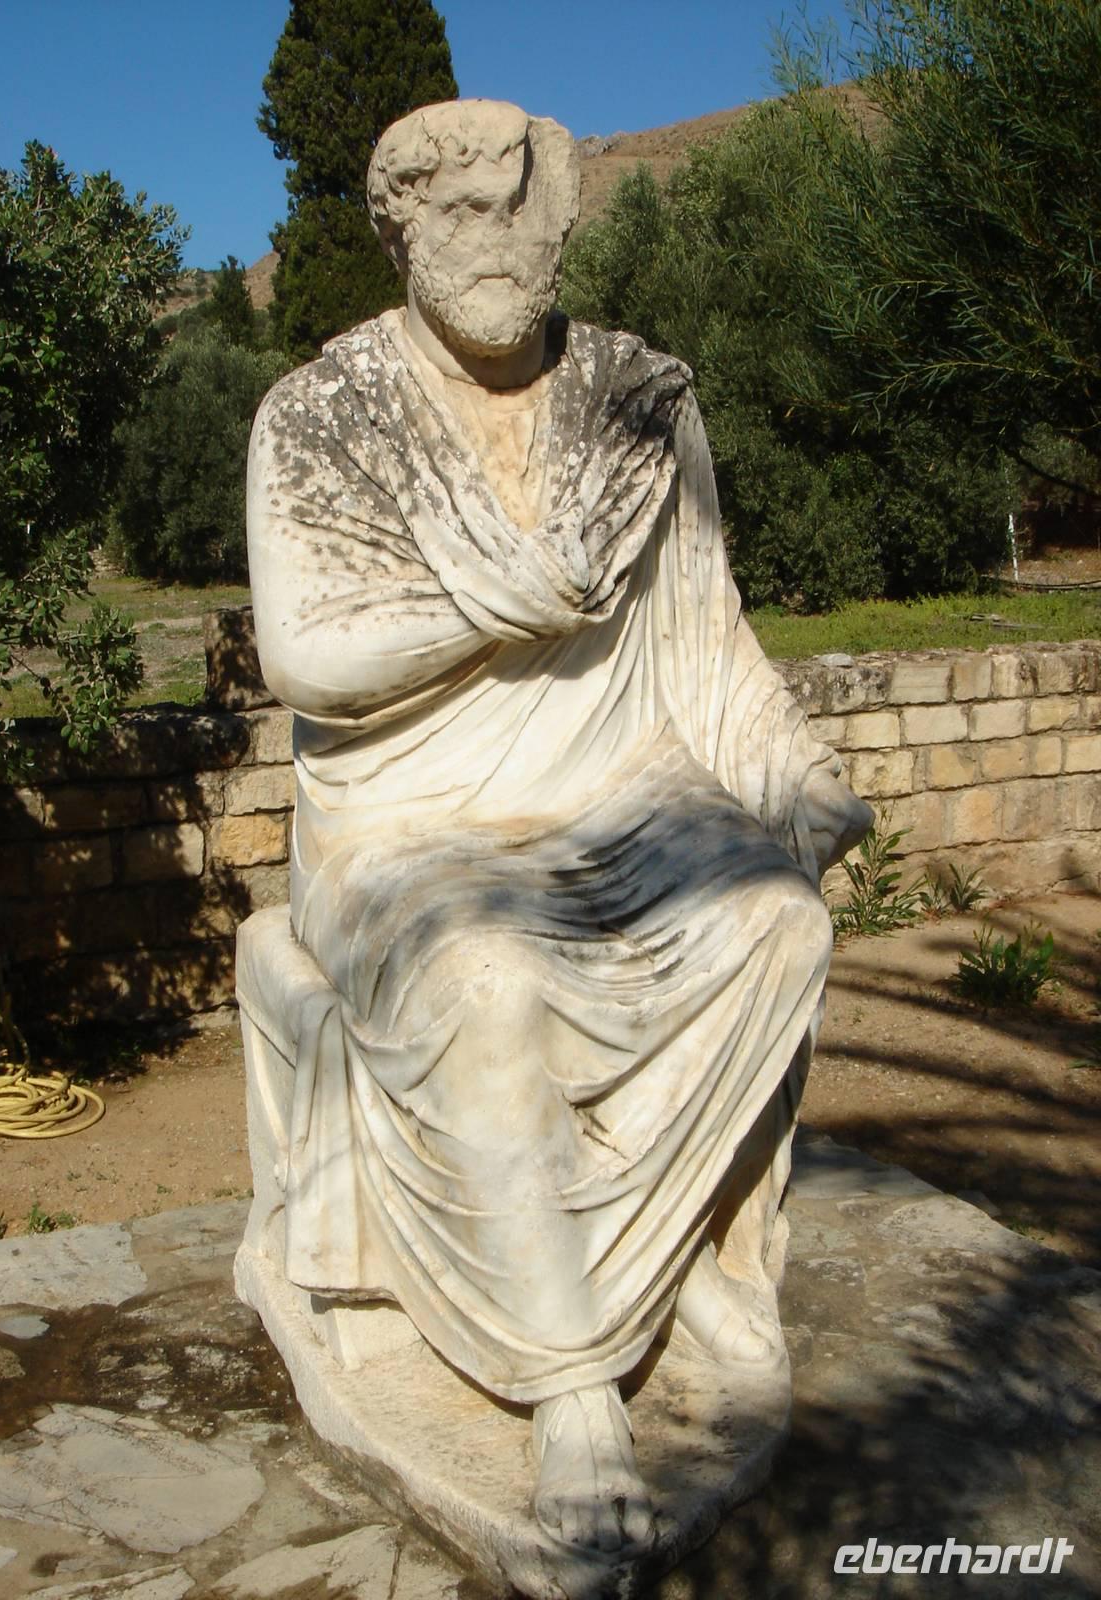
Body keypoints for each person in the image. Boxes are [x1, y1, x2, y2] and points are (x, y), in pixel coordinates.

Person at [244, 98, 872, 1555]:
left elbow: (708, 633)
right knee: (486, 981)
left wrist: (795, 774)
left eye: (525, 216)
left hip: (620, 792)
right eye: (462, 216)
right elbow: (308, 657)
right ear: (403, 230)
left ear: (561, 227)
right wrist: (500, 604)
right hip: (407, 823)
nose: (500, 245)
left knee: (774, 924)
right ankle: (573, 1377)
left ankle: (664, 1257)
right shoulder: (323, 417)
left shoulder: (636, 404)